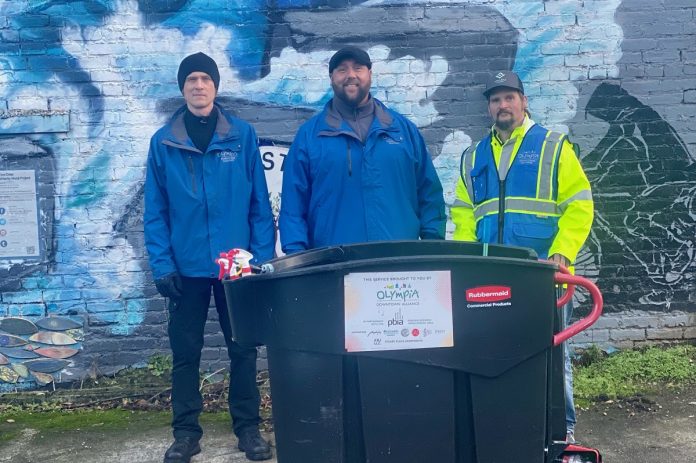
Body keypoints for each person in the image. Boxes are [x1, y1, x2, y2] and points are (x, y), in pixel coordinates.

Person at [144, 52, 275, 462]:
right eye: (191, 80)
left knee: (243, 349)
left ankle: (248, 428)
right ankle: (185, 433)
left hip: (236, 265)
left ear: (216, 86)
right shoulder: (164, 142)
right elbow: (156, 210)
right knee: (186, 353)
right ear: (182, 88)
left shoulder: (241, 135)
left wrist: (259, 260)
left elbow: (258, 202)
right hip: (186, 268)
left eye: (205, 78)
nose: (198, 86)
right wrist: (163, 266)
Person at [451, 71, 594, 443]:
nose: (503, 105)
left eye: (509, 97)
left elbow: (579, 206)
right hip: (489, 275)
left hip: (545, 277)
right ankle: (505, 426)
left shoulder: (553, 146)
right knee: (493, 352)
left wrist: (562, 253)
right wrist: (466, 261)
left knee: (552, 356)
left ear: (524, 101)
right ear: (489, 107)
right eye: (496, 99)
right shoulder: (473, 156)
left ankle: (561, 432)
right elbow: (464, 214)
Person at [278, 46, 446, 253]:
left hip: (398, 264)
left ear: (370, 75)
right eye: (342, 70)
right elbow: (293, 206)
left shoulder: (402, 131)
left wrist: (432, 247)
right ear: (331, 77)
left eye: (358, 68)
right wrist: (297, 257)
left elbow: (430, 195)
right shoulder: (310, 136)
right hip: (334, 266)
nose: (351, 75)